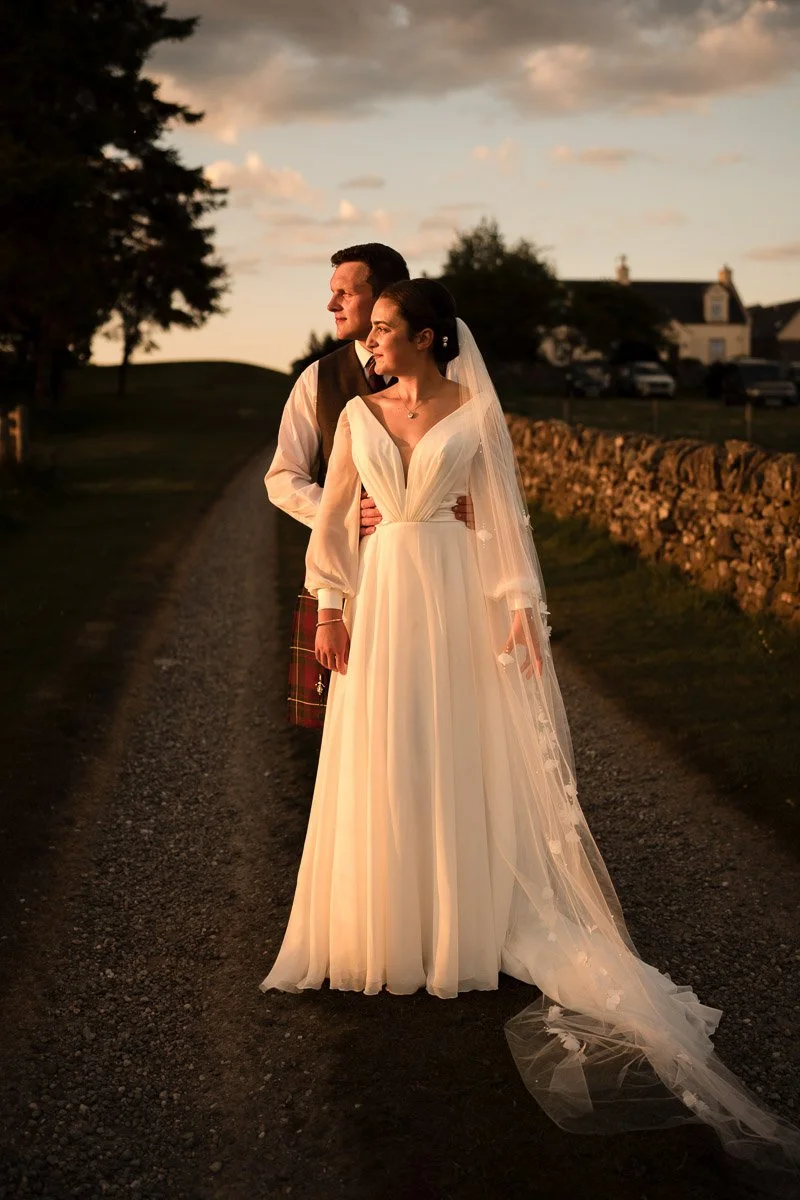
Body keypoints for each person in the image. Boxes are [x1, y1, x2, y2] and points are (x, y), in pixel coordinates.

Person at [261, 279, 800, 1182]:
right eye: (372, 331)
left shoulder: (475, 411)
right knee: (384, 757)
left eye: (385, 330)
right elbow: (331, 525)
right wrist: (328, 610)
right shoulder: (356, 417)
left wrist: (519, 606)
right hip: (385, 595)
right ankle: (380, 925)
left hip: (456, 599)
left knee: (453, 752)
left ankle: (461, 920)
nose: (371, 343)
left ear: (427, 338)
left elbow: (505, 519)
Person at [265, 243, 471, 728]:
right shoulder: (319, 379)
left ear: (384, 296)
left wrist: (474, 508)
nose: (332, 305)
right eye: (331, 293)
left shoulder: (455, 374)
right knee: (361, 721)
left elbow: (482, 469)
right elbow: (282, 476)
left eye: (344, 293)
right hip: (353, 576)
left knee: (444, 712)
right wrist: (341, 515)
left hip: (445, 571)